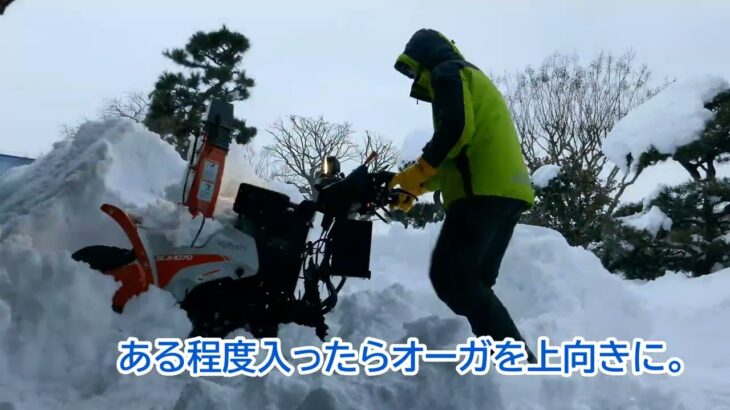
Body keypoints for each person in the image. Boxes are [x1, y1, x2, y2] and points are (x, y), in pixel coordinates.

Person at [388, 28, 537, 363]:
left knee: (451, 278)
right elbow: (461, 154)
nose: (414, 78)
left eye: (413, 70)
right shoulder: (470, 77)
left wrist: (421, 169)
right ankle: (503, 367)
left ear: (423, 59)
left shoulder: (447, 71)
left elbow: (455, 129)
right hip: (508, 193)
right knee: (475, 282)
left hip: (481, 194)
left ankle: (516, 362)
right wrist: (417, 186)